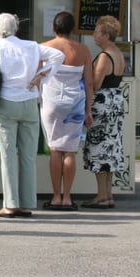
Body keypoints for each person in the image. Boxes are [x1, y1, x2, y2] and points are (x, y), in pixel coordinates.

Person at [0, 13, 63, 218]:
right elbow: (58, 56)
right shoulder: (31, 46)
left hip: (6, 103)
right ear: (16, 28)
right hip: (29, 102)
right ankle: (27, 203)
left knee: (8, 156)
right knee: (28, 156)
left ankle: (10, 204)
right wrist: (41, 75)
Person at [39, 11, 94, 211]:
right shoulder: (83, 50)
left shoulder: (44, 48)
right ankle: (68, 197)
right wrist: (89, 109)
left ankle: (55, 197)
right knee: (70, 150)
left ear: (54, 28)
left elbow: (37, 77)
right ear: (72, 29)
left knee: (55, 149)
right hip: (75, 103)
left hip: (51, 101)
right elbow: (89, 82)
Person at [83, 15, 126, 209]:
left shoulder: (103, 56)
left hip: (102, 103)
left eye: (97, 32)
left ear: (106, 35)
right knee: (111, 148)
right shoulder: (118, 54)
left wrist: (87, 107)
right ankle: (108, 194)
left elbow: (96, 83)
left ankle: (101, 195)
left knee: (99, 149)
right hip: (116, 101)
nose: (94, 35)